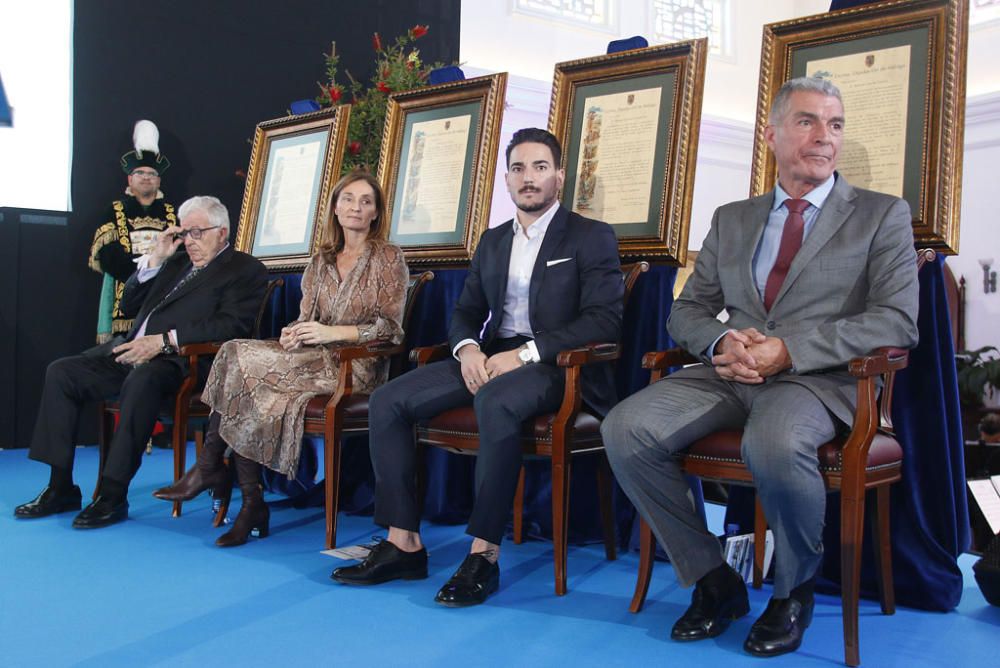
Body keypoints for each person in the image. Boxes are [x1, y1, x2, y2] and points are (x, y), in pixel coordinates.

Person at [601, 77, 920, 657]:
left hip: (818, 381)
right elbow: (688, 310)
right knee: (624, 428)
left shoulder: (881, 215)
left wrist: (790, 349)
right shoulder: (733, 217)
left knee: (772, 442)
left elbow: (896, 322)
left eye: (836, 125)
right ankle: (712, 579)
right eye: (807, 122)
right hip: (728, 374)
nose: (824, 138)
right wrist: (723, 340)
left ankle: (792, 589)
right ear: (771, 135)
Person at [331, 128, 624, 607]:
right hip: (489, 353)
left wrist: (526, 354)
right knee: (389, 400)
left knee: (495, 399)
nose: (528, 178)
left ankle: (483, 554)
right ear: (506, 180)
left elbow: (603, 320)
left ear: (559, 176)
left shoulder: (590, 236)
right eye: (518, 169)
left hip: (555, 363)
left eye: (539, 167)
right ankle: (403, 542)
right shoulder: (492, 241)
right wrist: (467, 350)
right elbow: (466, 312)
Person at [153, 170, 409, 548]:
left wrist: (333, 333)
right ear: (335, 208)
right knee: (235, 352)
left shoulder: (388, 257)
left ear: (376, 213)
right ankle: (248, 496)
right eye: (349, 199)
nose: (357, 207)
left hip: (355, 366)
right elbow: (307, 318)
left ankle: (216, 473)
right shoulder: (321, 260)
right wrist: (295, 332)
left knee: (246, 375)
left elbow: (391, 329)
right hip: (310, 357)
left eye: (366, 201)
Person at [15, 196, 268, 529]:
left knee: (144, 378)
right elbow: (128, 306)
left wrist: (164, 341)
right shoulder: (175, 263)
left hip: (183, 365)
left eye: (198, 233)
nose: (190, 241)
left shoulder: (243, 269)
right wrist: (153, 261)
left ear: (222, 233)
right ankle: (60, 486)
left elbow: (232, 325)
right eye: (185, 233)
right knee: (62, 372)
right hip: (131, 354)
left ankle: (112, 493)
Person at [89, 120, 177, 342]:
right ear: (130, 178)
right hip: (124, 294)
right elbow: (107, 255)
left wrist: (158, 276)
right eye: (140, 172)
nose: (146, 177)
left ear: (159, 179)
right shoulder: (114, 210)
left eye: (151, 173)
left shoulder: (172, 213)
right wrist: (140, 275)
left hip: (163, 294)